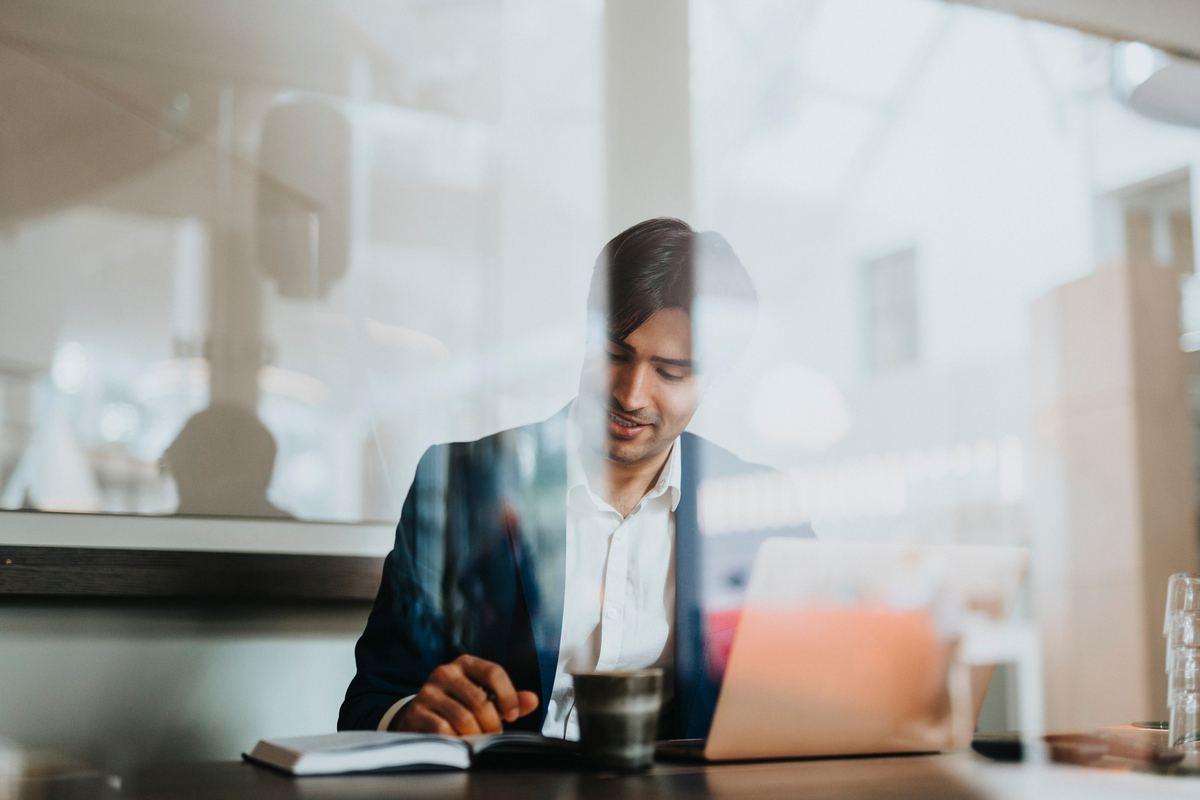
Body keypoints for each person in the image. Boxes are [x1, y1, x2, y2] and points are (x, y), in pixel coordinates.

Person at [338, 218, 813, 740]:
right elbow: (370, 703)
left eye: (671, 373)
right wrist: (412, 715)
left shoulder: (757, 509)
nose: (630, 395)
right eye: (613, 354)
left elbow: (815, 699)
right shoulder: (460, 485)